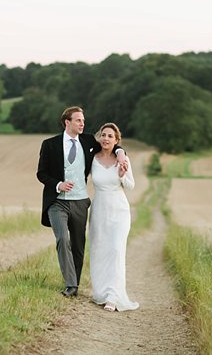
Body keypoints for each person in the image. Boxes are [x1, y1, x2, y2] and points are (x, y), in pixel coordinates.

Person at [37, 107, 126, 297]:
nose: (82, 124)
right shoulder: (49, 144)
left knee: (78, 244)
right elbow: (41, 173)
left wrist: (120, 152)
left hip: (80, 202)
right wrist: (58, 184)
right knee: (63, 238)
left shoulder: (87, 142)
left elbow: (110, 144)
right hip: (57, 202)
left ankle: (74, 281)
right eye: (78, 120)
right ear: (67, 122)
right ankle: (71, 284)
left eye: (83, 120)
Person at [89, 122, 139, 312]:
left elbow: (130, 186)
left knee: (117, 250)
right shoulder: (92, 158)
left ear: (117, 140)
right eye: (103, 135)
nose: (106, 138)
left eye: (110, 136)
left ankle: (114, 296)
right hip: (99, 209)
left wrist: (122, 175)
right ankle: (101, 292)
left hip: (119, 210)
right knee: (99, 250)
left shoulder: (123, 159)